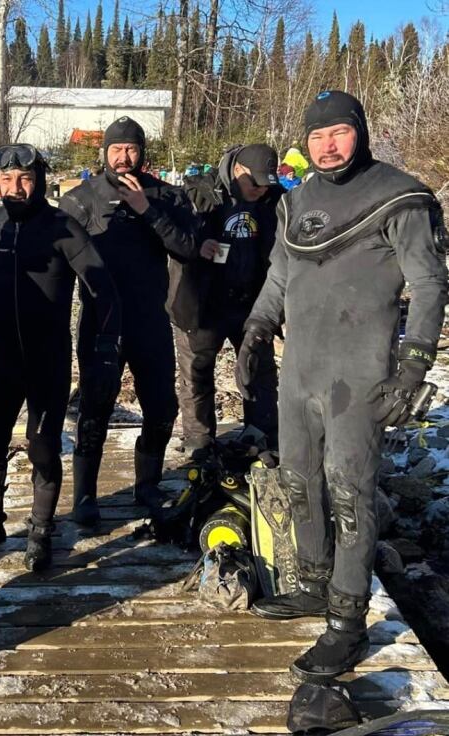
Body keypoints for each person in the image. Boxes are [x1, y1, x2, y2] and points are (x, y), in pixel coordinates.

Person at [239, 91, 448, 679]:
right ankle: (312, 582)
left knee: (349, 492)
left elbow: (429, 285)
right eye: (316, 136)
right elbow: (280, 273)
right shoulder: (295, 202)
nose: (327, 146)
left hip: (360, 376)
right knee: (299, 480)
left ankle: (347, 621)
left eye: (339, 133)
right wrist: (256, 327)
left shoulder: (399, 196)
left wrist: (414, 364)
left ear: (359, 132)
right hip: (300, 368)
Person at [0, 143, 121, 569]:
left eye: (25, 179)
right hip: (1, 361)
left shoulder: (62, 227)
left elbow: (105, 291)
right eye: (7, 180)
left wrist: (104, 347)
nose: (16, 188)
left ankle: (42, 532)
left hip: (48, 359)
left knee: (43, 446)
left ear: (39, 180)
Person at [60, 117, 198, 525]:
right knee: (95, 408)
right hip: (100, 323)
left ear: (142, 152)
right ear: (103, 152)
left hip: (150, 320)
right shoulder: (81, 200)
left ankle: (147, 485)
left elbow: (187, 249)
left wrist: (148, 211)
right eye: (116, 149)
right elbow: (57, 261)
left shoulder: (165, 196)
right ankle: (85, 495)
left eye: (132, 149)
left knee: (161, 406)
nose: (124, 157)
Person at [168, 144, 282, 458]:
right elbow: (173, 237)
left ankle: (260, 436)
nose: (260, 190)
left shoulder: (276, 200)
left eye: (266, 184)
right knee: (197, 375)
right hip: (202, 303)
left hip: (251, 302)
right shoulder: (198, 195)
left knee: (258, 371)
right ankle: (199, 442)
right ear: (237, 171)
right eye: (254, 183)